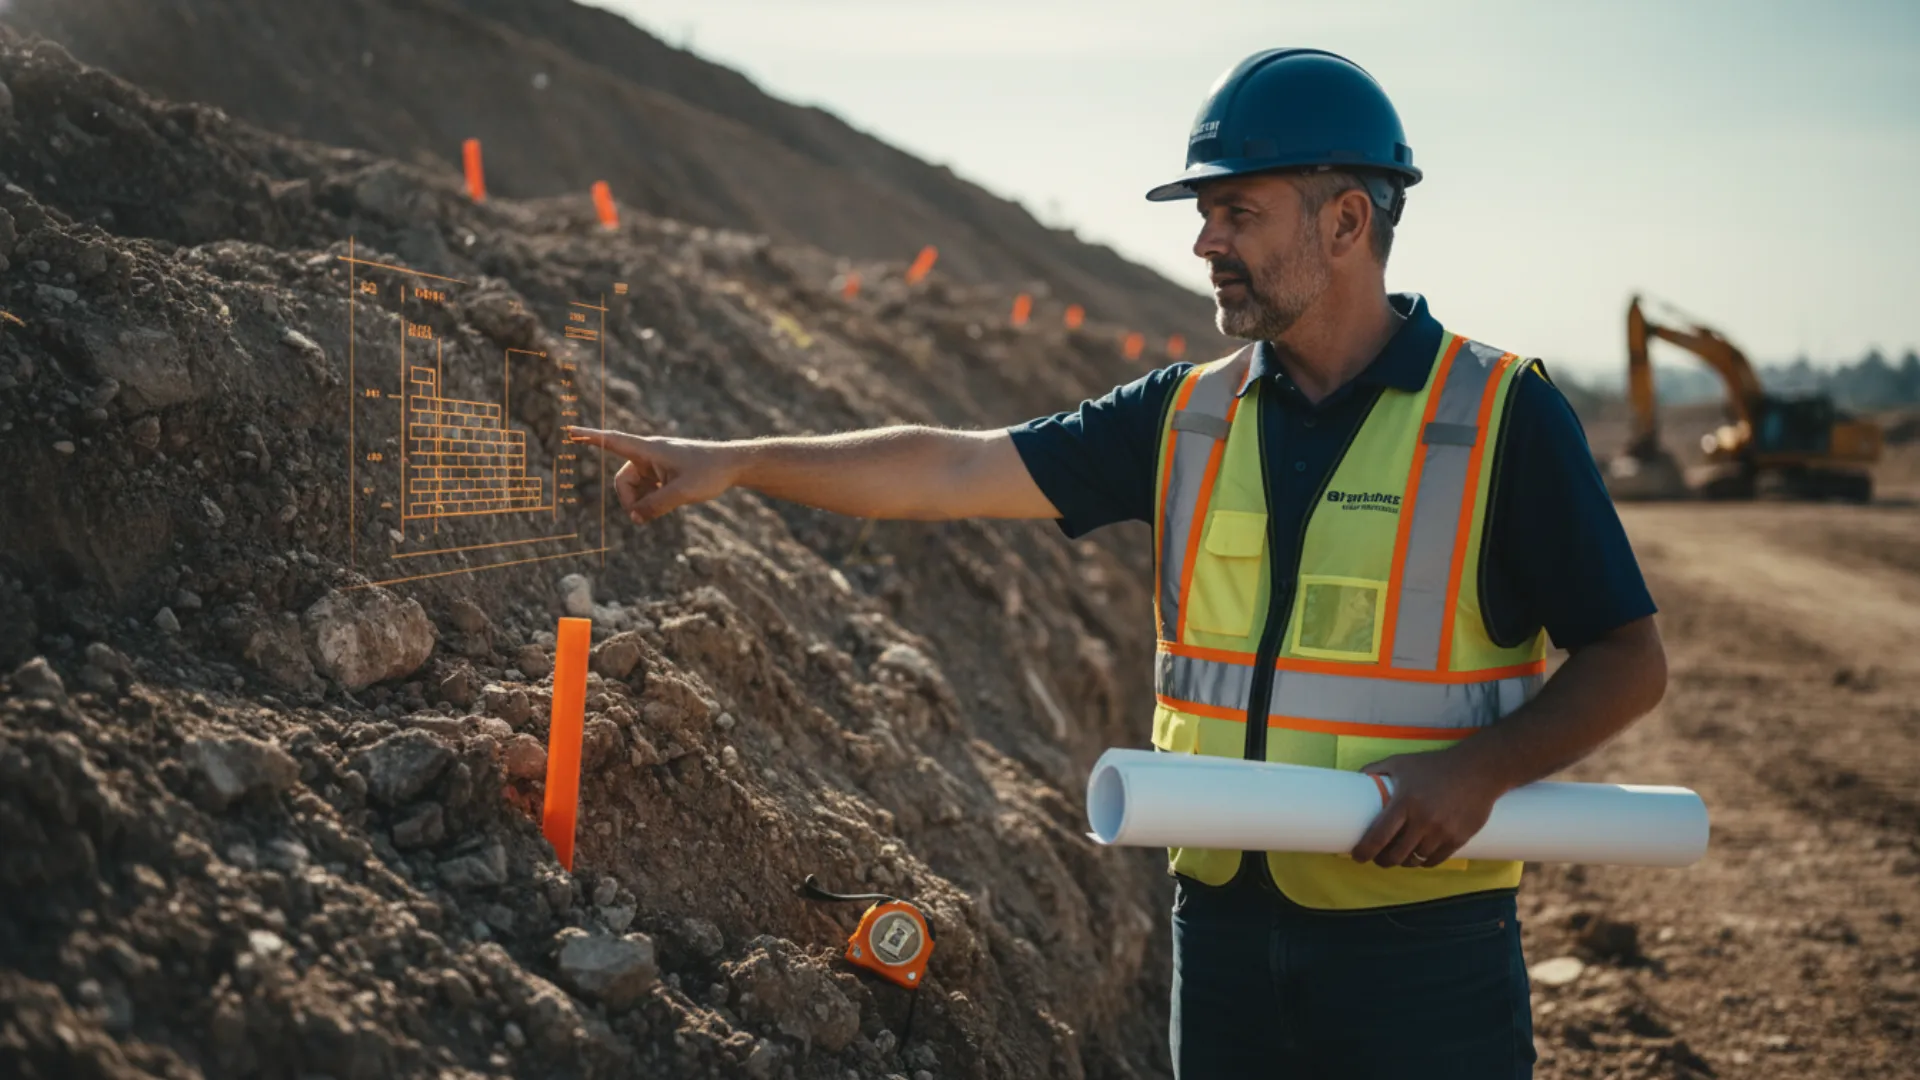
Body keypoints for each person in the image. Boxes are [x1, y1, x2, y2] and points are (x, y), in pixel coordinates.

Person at [569, 46, 1665, 1079]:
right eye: (1203, 214)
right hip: (1221, 930)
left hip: (1423, 948)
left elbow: (1628, 657)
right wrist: (740, 462)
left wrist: (1478, 772)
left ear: (1345, 221)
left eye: (1238, 212)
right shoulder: (1183, 415)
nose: (1205, 243)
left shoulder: (1500, 415)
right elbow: (954, 468)